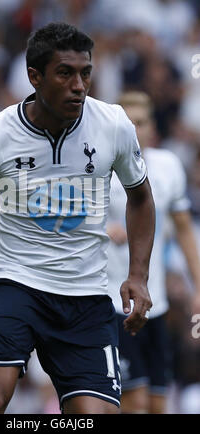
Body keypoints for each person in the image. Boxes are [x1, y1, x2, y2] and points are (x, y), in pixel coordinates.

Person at [0, 22, 155, 415]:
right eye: (65, 73)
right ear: (34, 76)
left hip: (86, 292)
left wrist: (137, 275)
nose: (79, 85)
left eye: (85, 73)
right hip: (16, 281)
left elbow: (142, 200)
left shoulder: (113, 124)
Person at [107, 91, 200, 414]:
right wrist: (103, 231)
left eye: (141, 122)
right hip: (112, 302)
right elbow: (68, 226)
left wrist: (198, 286)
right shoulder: (99, 170)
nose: (135, 130)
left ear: (152, 126)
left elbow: (185, 230)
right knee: (134, 403)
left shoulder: (168, 166)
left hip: (155, 303)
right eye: (128, 123)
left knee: (160, 403)